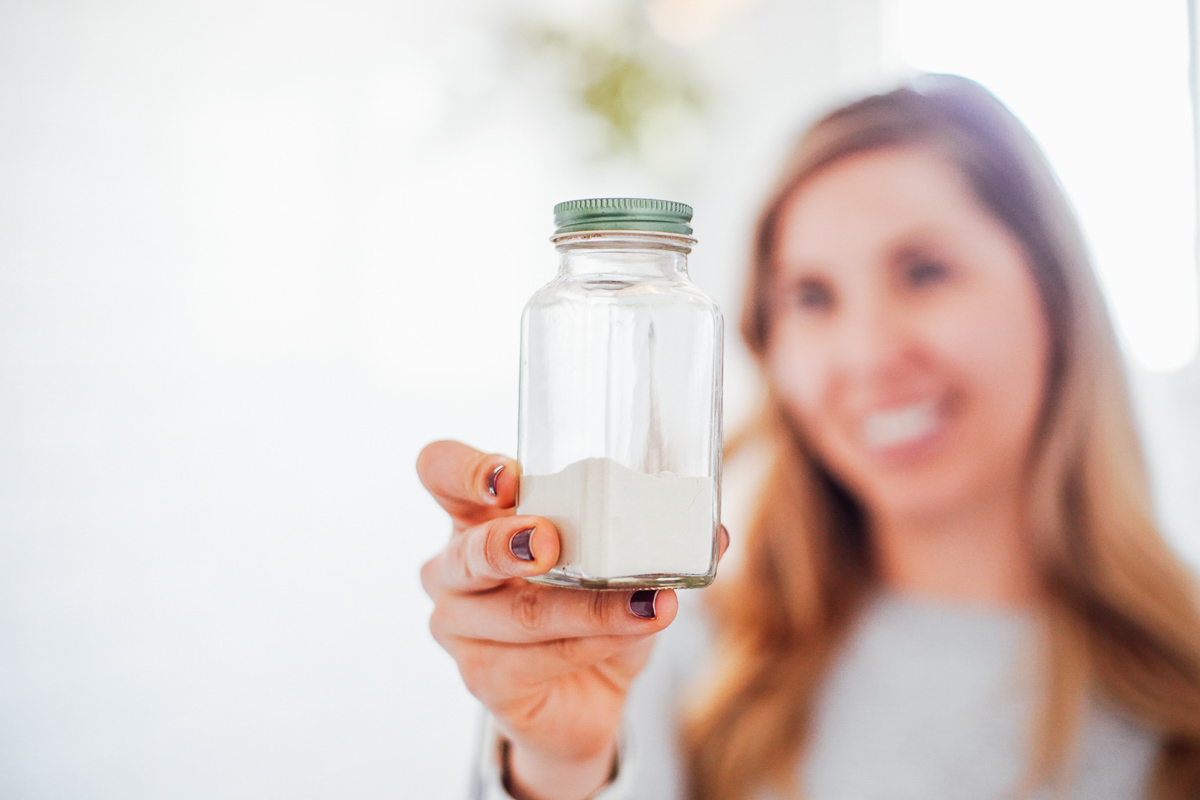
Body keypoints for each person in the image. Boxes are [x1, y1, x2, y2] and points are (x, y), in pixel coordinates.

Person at [417, 75, 1200, 800]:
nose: (867, 354)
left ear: (1055, 299)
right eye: (812, 296)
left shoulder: (1179, 685)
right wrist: (557, 765)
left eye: (924, 271)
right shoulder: (663, 648)